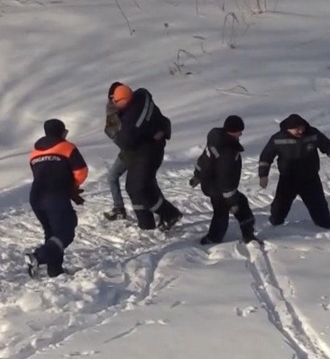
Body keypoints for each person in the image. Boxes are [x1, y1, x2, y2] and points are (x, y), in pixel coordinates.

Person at [111, 83, 183, 231]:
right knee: (133, 187)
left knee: (140, 188)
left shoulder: (130, 118)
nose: (114, 104)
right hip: (144, 150)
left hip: (148, 152)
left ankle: (170, 214)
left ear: (125, 99)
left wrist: (118, 130)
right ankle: (146, 224)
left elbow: (125, 141)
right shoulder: (142, 95)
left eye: (116, 101)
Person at [257, 114, 330, 229]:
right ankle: (275, 226)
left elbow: (328, 147)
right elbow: (266, 157)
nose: (301, 131)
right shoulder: (277, 139)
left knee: (319, 206)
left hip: (310, 178)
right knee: (279, 206)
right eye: (297, 129)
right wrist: (263, 175)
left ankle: (324, 227)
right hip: (288, 179)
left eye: (302, 127)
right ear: (288, 129)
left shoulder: (313, 134)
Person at [25, 119, 88, 278]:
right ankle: (38, 257)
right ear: (61, 132)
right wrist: (72, 186)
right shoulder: (67, 147)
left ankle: (55, 270)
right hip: (55, 196)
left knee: (52, 232)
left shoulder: (35, 153)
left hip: (35, 197)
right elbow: (81, 171)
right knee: (66, 231)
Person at [190, 115, 259, 245]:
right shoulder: (227, 152)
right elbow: (226, 181)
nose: (241, 134)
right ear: (232, 131)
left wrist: (197, 176)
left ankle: (213, 238)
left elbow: (203, 160)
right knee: (240, 207)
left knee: (220, 212)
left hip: (210, 185)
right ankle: (248, 236)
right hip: (220, 189)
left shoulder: (215, 140)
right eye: (239, 131)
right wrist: (232, 201)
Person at [102, 81, 135, 221]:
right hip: (128, 150)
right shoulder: (114, 109)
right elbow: (111, 130)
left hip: (132, 150)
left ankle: (120, 209)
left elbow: (115, 131)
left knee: (114, 177)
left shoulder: (125, 110)